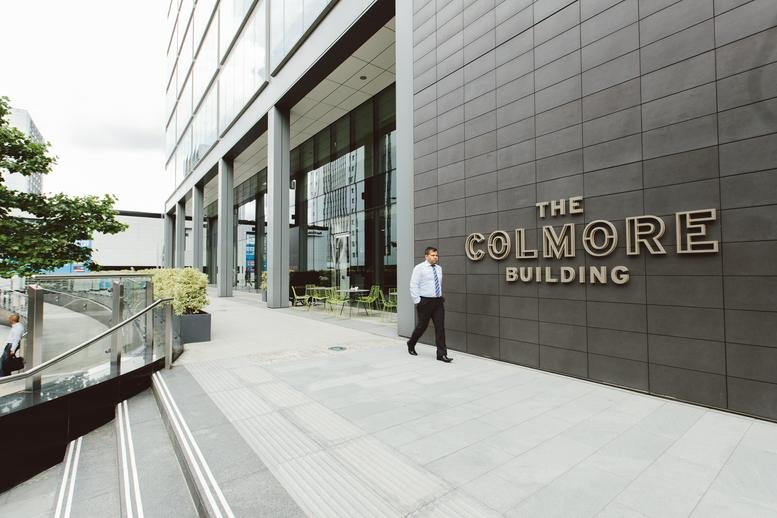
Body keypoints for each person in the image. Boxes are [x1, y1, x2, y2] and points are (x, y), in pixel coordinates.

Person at [407, 247, 452, 363]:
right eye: (433, 255)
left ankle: (441, 354)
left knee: (440, 327)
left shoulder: (439, 268)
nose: (435, 257)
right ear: (426, 256)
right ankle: (411, 343)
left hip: (437, 301)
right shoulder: (419, 268)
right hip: (425, 302)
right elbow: (413, 285)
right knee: (422, 326)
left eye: (436, 255)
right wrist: (418, 301)